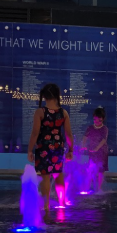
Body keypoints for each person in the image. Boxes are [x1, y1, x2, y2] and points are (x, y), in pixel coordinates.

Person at [28, 83, 74, 211]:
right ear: (57, 96)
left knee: (45, 176)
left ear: (45, 97)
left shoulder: (40, 112)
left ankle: (46, 207)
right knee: (58, 174)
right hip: (58, 147)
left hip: (43, 148)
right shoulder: (63, 112)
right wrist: (71, 150)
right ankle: (62, 202)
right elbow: (68, 134)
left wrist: (29, 150)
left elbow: (35, 133)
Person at [83, 106, 109, 192]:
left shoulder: (104, 129)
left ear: (103, 119)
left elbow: (104, 140)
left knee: (101, 170)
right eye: (95, 120)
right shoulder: (90, 128)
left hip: (102, 152)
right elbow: (85, 137)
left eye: (99, 120)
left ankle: (99, 188)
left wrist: (97, 148)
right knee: (90, 169)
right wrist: (83, 145)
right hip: (92, 151)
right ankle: (87, 187)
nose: (97, 122)